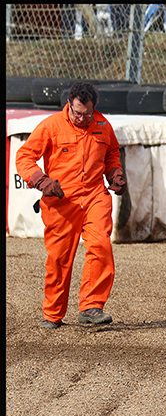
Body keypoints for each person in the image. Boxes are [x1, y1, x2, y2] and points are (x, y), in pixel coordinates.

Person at [16, 81, 126, 329]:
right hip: (61, 199)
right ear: (69, 104)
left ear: (94, 108)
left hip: (95, 195)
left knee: (100, 245)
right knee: (59, 258)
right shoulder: (51, 126)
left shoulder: (102, 124)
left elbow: (111, 152)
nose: (82, 118)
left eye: (87, 113)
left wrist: (114, 173)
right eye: (77, 112)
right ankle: (53, 314)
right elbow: (24, 156)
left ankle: (91, 307)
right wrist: (41, 180)